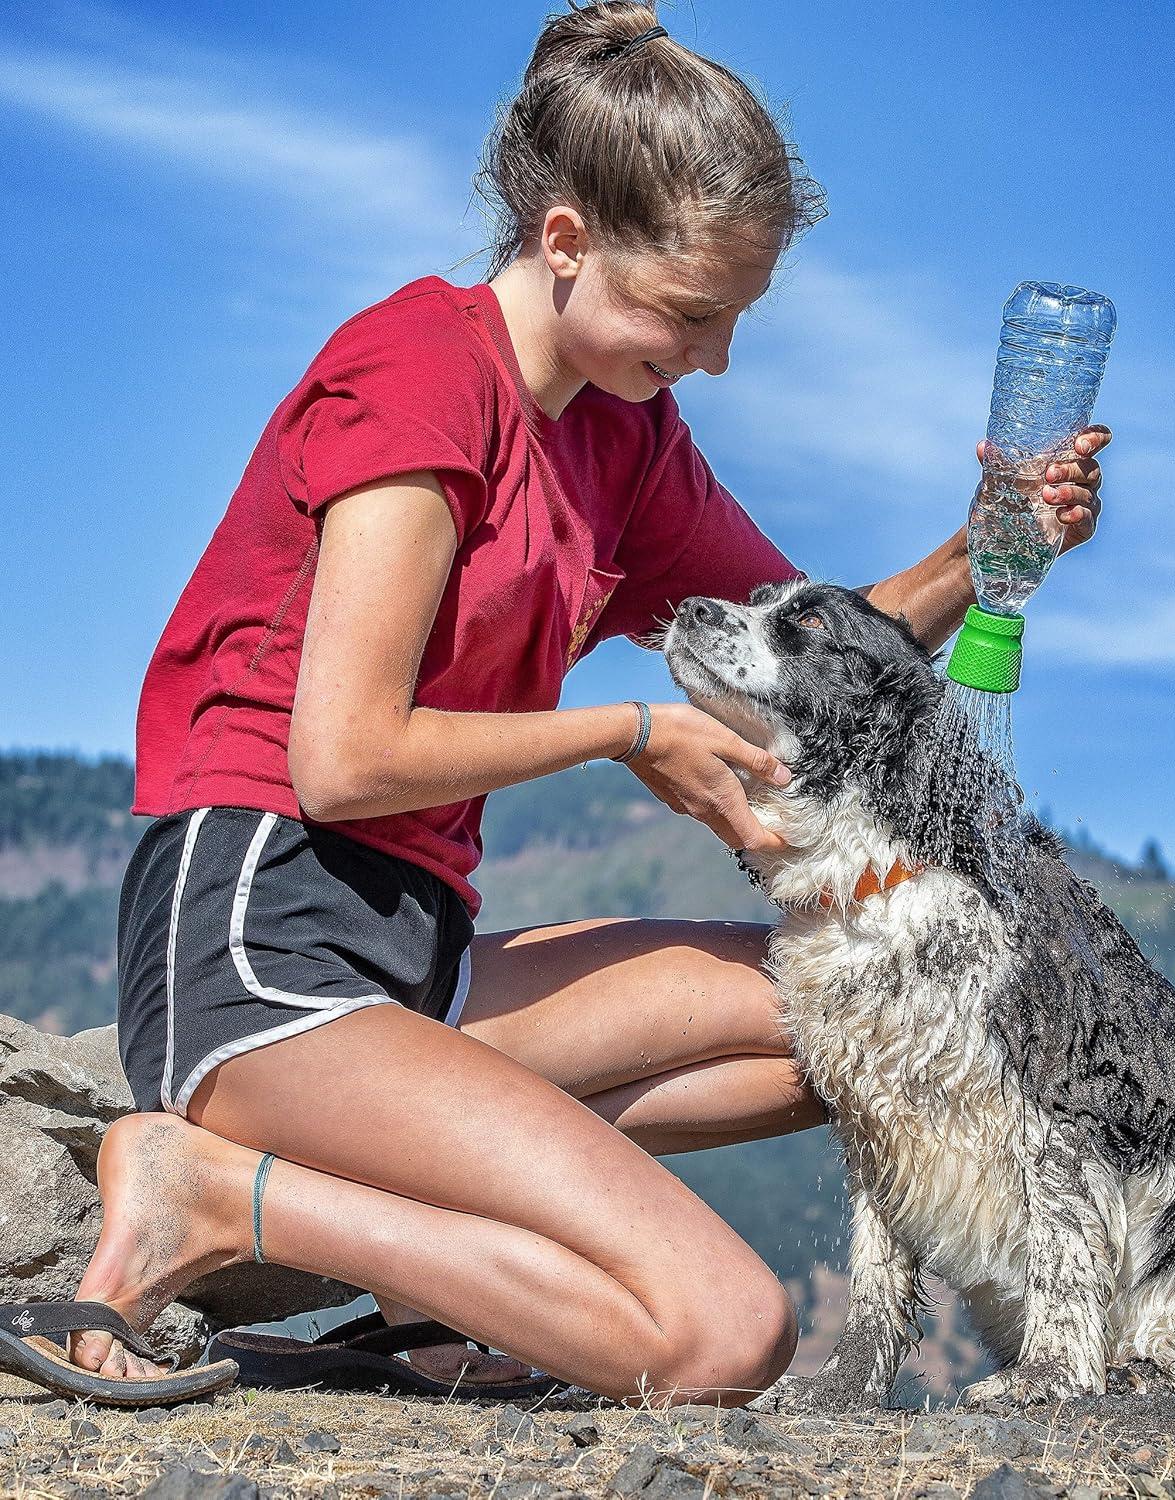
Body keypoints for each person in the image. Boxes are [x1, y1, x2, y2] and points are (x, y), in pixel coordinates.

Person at [63, 1, 1107, 1405]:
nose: (716, 357)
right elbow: (347, 759)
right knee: (721, 1336)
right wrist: (630, 729)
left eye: (735, 321)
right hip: (266, 938)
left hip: (419, 957)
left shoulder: (625, 438)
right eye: (690, 314)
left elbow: (816, 661)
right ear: (565, 241)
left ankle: (418, 1296)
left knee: (869, 1016)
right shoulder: (419, 373)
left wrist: (989, 549)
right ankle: (203, 1192)